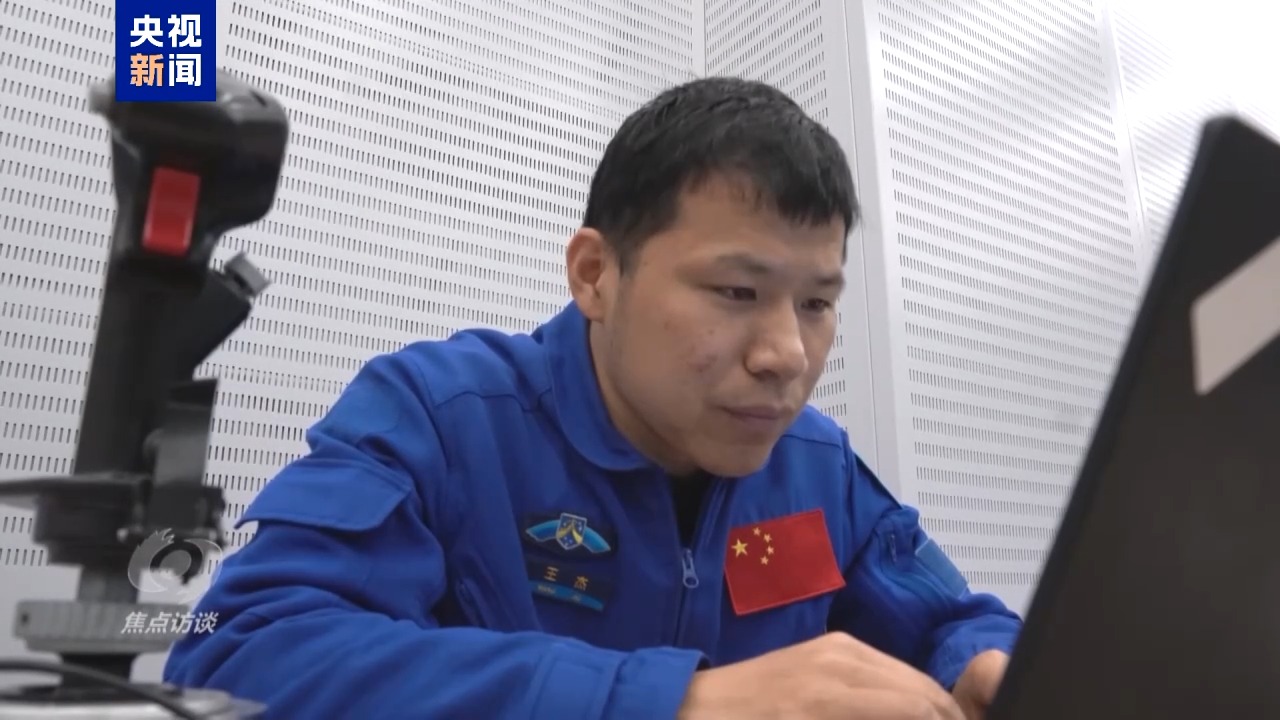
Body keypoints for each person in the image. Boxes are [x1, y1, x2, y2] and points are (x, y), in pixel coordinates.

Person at [163, 76, 1022, 719]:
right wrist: (676, 704)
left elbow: (955, 623)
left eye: (817, 304)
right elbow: (241, 654)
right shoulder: (442, 417)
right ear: (595, 274)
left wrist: (987, 663)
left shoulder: (816, 469)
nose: (787, 356)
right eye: (736, 292)